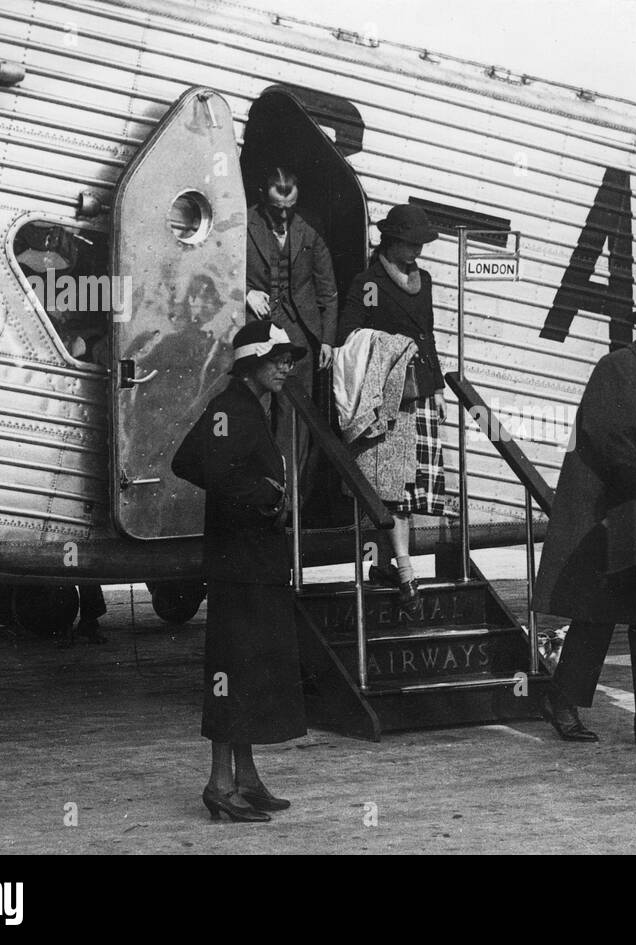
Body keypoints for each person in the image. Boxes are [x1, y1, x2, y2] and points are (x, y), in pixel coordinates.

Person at [171, 321, 310, 822]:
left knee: (248, 671)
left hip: (252, 564)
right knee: (232, 672)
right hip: (241, 566)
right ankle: (218, 783)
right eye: (277, 359)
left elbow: (192, 462)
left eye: (290, 359)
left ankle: (246, 777)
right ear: (251, 362)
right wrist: (265, 496)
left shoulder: (247, 407)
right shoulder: (232, 409)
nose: (286, 367)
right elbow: (199, 465)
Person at [533, 289, 636, 745]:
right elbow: (607, 436)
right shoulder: (618, 366)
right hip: (606, 514)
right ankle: (562, 702)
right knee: (596, 615)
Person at [337, 204, 446, 614]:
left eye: (419, 245)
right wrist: (392, 348)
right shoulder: (369, 282)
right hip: (389, 396)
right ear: (391, 240)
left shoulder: (426, 281)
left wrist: (437, 390)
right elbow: (350, 333)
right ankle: (403, 572)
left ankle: (390, 567)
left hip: (420, 390)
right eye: (409, 244)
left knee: (411, 488)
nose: (416, 252)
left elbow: (428, 335)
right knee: (392, 490)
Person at [245, 167, 338, 481]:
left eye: (290, 208)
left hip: (299, 335)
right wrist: (246, 293)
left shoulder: (311, 229)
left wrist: (326, 339)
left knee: (294, 420)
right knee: (256, 412)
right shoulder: (242, 222)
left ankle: (286, 501)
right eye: (276, 209)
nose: (283, 216)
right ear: (262, 197)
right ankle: (255, 493)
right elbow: (214, 271)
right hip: (256, 332)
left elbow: (328, 289)